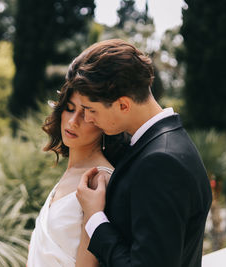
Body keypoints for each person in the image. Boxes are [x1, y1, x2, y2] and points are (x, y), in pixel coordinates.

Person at [71, 39, 213, 266]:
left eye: (91, 110)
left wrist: (95, 217)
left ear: (124, 105)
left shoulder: (161, 162)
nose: (88, 119)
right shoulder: (164, 143)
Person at [26, 81, 128, 266]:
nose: (73, 122)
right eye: (70, 109)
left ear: (103, 122)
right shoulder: (72, 171)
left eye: (86, 114)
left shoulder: (98, 179)